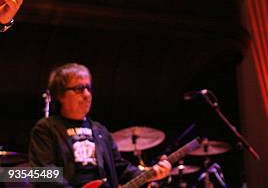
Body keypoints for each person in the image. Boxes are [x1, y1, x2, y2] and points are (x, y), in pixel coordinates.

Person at [29, 63, 171, 187]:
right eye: (79, 89)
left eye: (88, 88)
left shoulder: (99, 130)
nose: (87, 94)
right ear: (60, 95)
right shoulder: (46, 128)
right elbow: (43, 172)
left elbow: (119, 168)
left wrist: (151, 174)